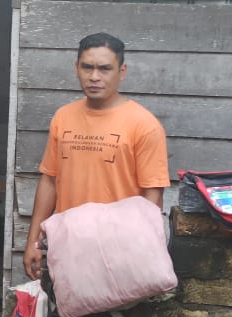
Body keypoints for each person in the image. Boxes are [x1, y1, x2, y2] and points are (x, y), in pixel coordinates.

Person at [23, 32, 169, 282]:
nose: (94, 77)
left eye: (105, 69)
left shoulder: (144, 124)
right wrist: (34, 240)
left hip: (118, 251)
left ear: (121, 71)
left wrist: (137, 250)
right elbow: (49, 181)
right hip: (68, 246)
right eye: (87, 67)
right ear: (76, 68)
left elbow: (152, 196)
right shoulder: (63, 117)